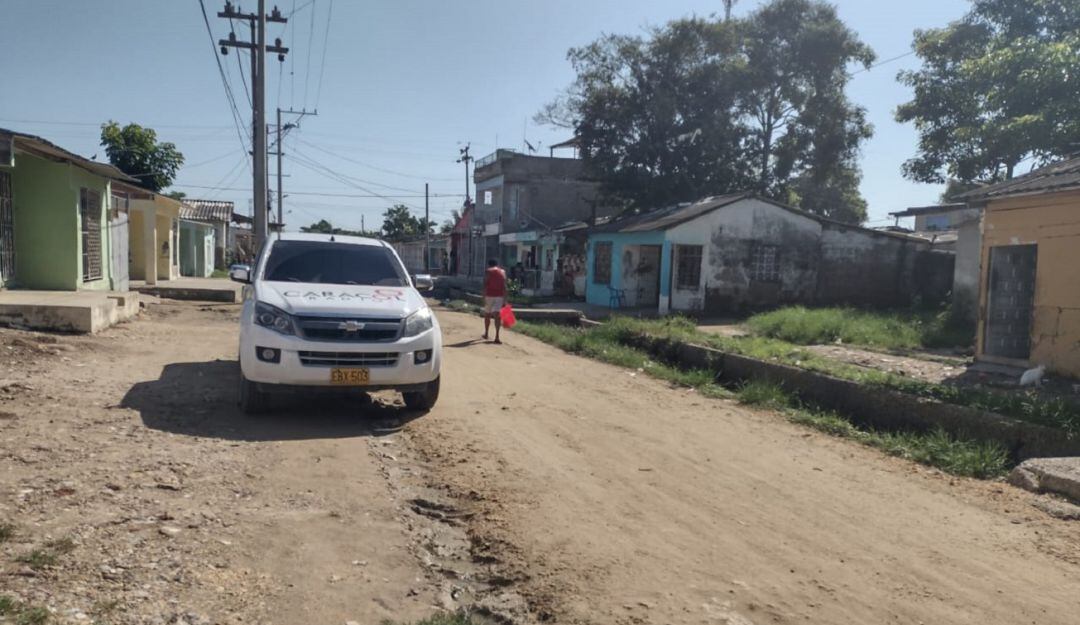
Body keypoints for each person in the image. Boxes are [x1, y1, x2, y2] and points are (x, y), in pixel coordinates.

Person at [483, 258, 507, 344]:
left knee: (487, 315)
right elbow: (504, 286)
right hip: (500, 296)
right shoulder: (503, 272)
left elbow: (485, 284)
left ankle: (486, 333)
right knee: (497, 316)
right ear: (497, 265)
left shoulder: (488, 271)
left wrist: (483, 296)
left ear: (489, 265)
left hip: (489, 295)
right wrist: (505, 299)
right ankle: (497, 336)